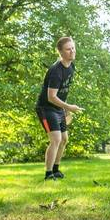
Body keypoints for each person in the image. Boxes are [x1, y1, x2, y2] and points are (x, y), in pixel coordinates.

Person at [36, 37, 83, 180]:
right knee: (56, 139)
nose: (72, 51)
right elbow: (51, 97)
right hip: (46, 108)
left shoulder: (71, 67)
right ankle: (48, 174)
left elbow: (63, 91)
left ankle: (56, 169)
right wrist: (69, 107)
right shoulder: (56, 71)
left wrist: (66, 109)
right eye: (68, 49)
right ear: (61, 53)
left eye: (73, 48)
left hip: (58, 108)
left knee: (64, 139)